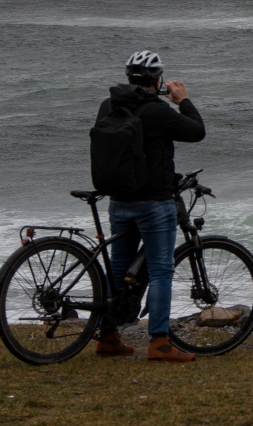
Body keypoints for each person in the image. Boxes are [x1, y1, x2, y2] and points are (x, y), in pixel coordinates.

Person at [93, 50, 206, 362]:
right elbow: (196, 131)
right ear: (157, 80)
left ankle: (109, 336)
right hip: (154, 203)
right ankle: (159, 342)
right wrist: (182, 100)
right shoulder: (157, 110)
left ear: (128, 78)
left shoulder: (108, 105)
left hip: (118, 200)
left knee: (118, 268)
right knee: (160, 271)